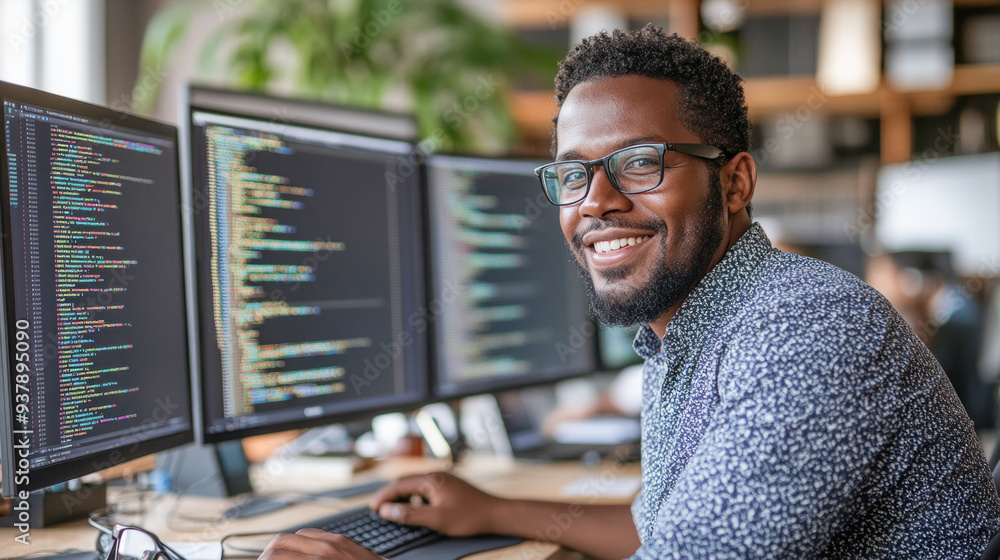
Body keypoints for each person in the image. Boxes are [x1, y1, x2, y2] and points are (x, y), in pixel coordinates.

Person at [258, 25, 1000, 560]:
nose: (596, 201)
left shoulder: (805, 330)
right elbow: (668, 528)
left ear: (735, 181)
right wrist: (492, 509)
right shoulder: (693, 331)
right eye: (573, 173)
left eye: (641, 162)